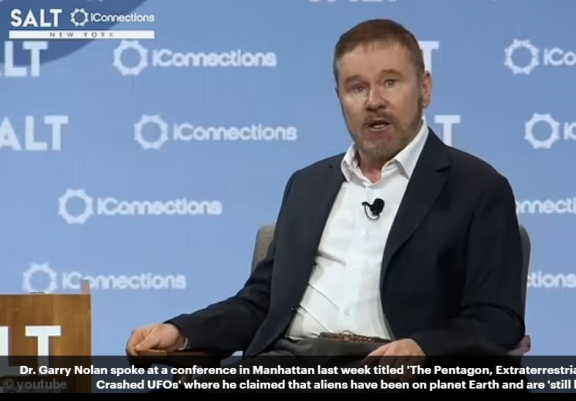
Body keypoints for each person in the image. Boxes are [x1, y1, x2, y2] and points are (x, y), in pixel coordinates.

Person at [126, 18, 527, 392]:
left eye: (390, 82)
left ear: (424, 89)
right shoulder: (308, 185)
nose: (374, 101)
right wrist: (182, 332)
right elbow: (261, 302)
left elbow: (498, 318)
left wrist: (423, 347)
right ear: (340, 98)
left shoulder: (477, 188)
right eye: (357, 88)